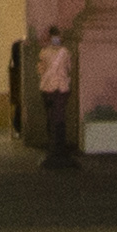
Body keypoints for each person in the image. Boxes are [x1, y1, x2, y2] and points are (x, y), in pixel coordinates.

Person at [37, 25, 75, 168]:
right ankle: (59, 146)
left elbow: (41, 70)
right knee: (59, 117)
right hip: (61, 87)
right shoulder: (65, 52)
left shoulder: (44, 52)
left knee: (50, 116)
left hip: (47, 88)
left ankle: (52, 146)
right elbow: (69, 68)